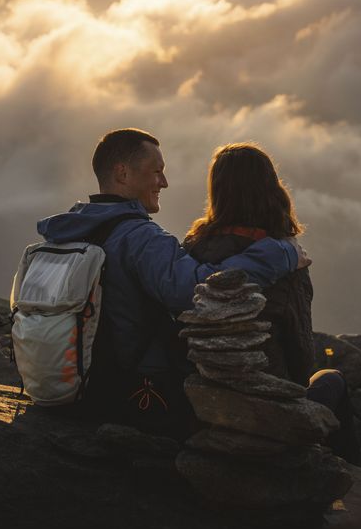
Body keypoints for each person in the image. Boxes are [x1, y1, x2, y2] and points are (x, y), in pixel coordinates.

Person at [36, 129, 308, 439]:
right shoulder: (141, 237)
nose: (164, 182)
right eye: (157, 172)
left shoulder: (75, 228)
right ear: (123, 173)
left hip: (77, 383)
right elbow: (200, 290)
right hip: (137, 393)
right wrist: (280, 252)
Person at [183, 142, 361, 465]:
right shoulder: (287, 263)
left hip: (205, 407)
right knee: (332, 378)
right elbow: (301, 361)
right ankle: (353, 482)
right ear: (270, 188)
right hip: (269, 410)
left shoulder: (194, 251)